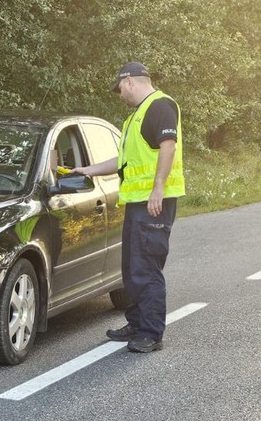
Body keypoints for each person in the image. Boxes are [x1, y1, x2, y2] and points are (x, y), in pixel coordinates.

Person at [72, 61, 185, 353]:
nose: (120, 94)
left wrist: (158, 188)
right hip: (137, 202)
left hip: (154, 202)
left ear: (131, 81)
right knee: (132, 267)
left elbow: (168, 146)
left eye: (120, 88)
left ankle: (150, 334)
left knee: (146, 268)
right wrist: (88, 170)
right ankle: (136, 323)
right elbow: (122, 163)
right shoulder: (135, 117)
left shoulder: (160, 106)